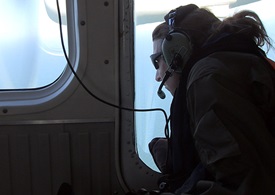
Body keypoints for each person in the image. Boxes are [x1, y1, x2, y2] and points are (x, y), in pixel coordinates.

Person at [148, 4, 275, 195]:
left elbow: (244, 183)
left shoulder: (208, 80)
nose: (158, 76)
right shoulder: (231, 65)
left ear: (177, 54)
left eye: (158, 60)